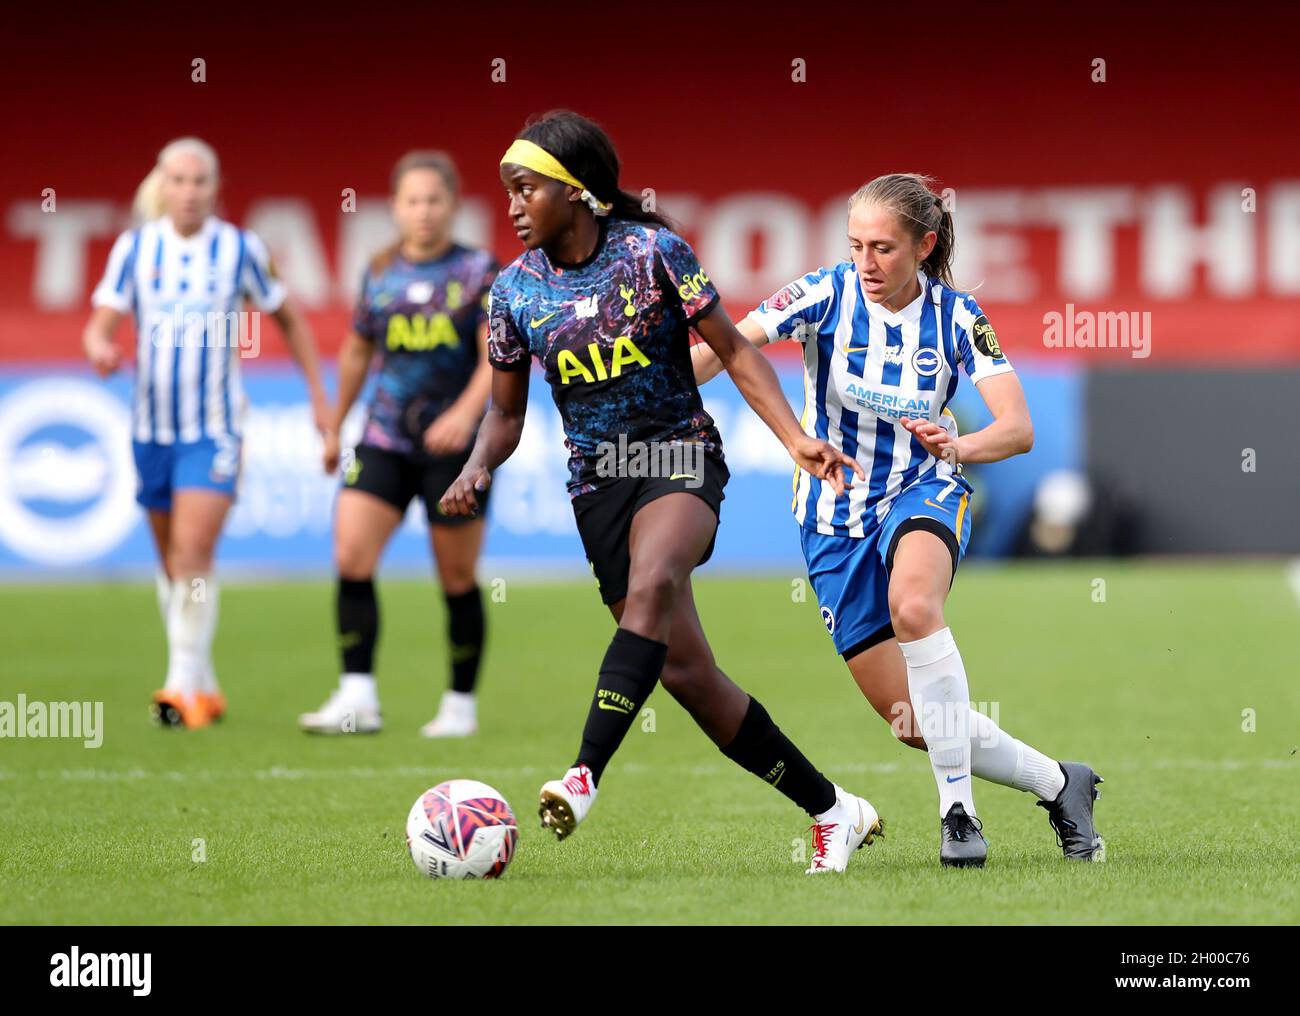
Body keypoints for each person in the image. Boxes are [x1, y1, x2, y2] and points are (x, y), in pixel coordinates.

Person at [441, 110, 881, 875]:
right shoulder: (512, 292)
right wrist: (480, 464)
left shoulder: (653, 254)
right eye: (507, 190)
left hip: (680, 455)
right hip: (596, 486)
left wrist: (793, 437)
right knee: (686, 675)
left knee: (653, 583)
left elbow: (736, 352)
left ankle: (582, 775)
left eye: (526, 188)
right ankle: (834, 810)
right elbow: (506, 415)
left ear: (575, 193)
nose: (511, 205)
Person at [693, 173, 1105, 866]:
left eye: (883, 247)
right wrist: (656, 374)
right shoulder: (823, 292)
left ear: (925, 244)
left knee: (914, 606)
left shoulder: (957, 316)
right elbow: (727, 349)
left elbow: (1018, 427)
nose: (867, 263)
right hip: (830, 519)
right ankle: (1063, 783)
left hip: (925, 489)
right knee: (913, 721)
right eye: (856, 245)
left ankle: (958, 814)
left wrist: (960, 445)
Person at [84, 137, 329, 729]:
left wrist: (320, 401)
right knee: (172, 565)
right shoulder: (134, 248)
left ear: (215, 188)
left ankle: (178, 685)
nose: (189, 192)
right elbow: (101, 324)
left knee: (193, 554)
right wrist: (99, 347)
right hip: (151, 429)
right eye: (179, 180)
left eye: (199, 182)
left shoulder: (240, 248)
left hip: (215, 429)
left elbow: (289, 318)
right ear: (162, 185)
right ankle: (204, 682)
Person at [300, 151, 496, 737]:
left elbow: (497, 357)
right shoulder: (380, 271)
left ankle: (460, 705)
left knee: (456, 577)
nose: (424, 212)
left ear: (453, 206)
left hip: (454, 448)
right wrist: (336, 422)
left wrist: (465, 416)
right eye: (412, 201)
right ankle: (357, 697)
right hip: (384, 436)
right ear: (396, 208)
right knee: (351, 557)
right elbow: (359, 349)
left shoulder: (478, 271)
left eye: (435, 200)